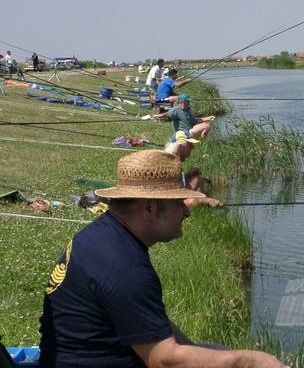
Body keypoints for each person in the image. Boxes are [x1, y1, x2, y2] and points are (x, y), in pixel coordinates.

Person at [39, 150, 287, 368]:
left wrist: (197, 349)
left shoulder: (104, 236)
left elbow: (144, 320)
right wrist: (251, 361)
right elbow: (163, 361)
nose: (187, 211)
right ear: (149, 209)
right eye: (179, 203)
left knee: (215, 351)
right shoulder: (124, 268)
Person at [165, 130, 223, 208]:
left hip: (177, 195)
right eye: (190, 145)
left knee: (196, 178)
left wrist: (187, 175)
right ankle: (202, 203)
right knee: (193, 200)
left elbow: (178, 183)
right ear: (181, 146)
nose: (193, 147)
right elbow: (177, 196)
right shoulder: (170, 164)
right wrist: (207, 201)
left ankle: (201, 203)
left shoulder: (173, 160)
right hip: (173, 204)